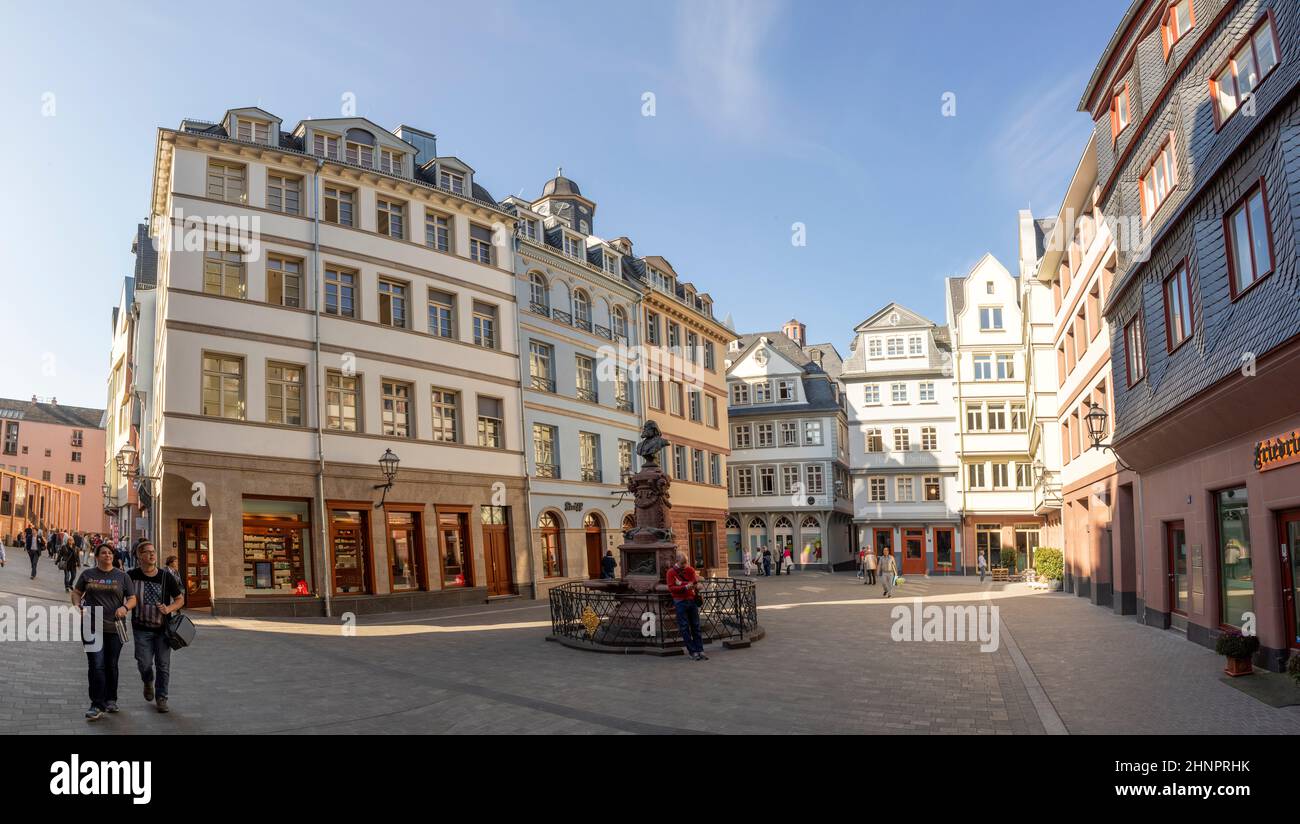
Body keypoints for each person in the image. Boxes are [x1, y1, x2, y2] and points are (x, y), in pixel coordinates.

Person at [72, 543, 137, 721]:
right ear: (97, 556)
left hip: (115, 627)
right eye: (103, 553)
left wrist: (125, 607)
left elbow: (132, 599)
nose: (107, 555)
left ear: (113, 556)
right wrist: (78, 605)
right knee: (96, 664)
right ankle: (96, 704)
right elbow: (76, 592)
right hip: (91, 625)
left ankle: (111, 699)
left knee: (111, 664)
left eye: (110, 553)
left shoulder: (122, 576)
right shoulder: (88, 574)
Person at [129, 542, 184, 713]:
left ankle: (162, 698)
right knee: (144, 663)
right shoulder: (131, 575)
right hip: (141, 628)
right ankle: (147, 681)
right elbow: (121, 595)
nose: (152, 555)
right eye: (147, 552)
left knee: (163, 665)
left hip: (162, 629)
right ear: (139, 556)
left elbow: (180, 599)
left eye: (154, 552)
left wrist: (168, 609)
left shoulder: (166, 577)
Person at [665, 553, 707, 661]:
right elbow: (671, 588)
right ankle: (692, 651)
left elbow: (694, 582)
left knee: (696, 626)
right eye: (683, 563)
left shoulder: (690, 570)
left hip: (691, 599)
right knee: (684, 627)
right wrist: (684, 587)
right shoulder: (671, 572)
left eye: (686, 562)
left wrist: (694, 585)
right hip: (680, 601)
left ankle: (700, 650)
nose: (685, 565)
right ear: (677, 561)